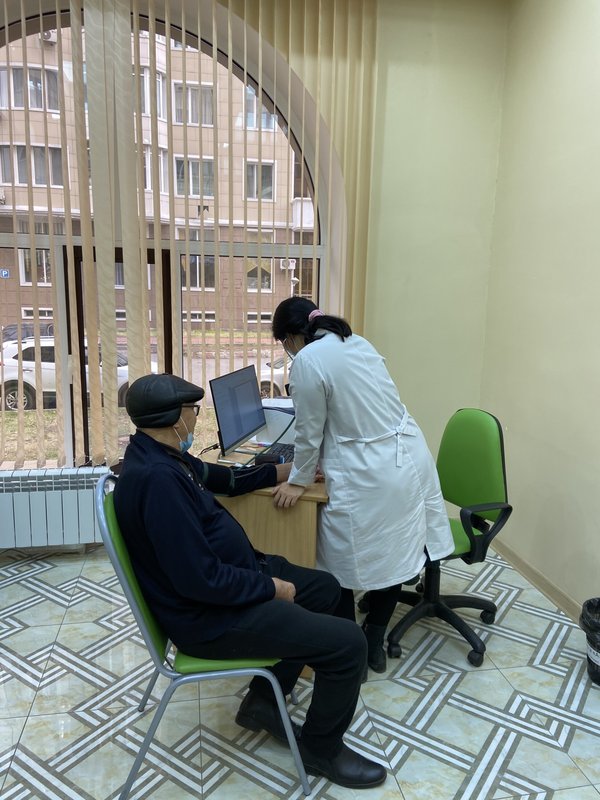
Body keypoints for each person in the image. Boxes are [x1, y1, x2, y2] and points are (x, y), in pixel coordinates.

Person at [113, 372, 386, 790]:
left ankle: (262, 701)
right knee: (349, 644)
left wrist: (291, 471)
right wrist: (271, 588)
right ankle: (321, 749)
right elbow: (200, 580)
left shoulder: (162, 454)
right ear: (175, 419)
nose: (195, 418)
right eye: (192, 411)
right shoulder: (157, 482)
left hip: (232, 584)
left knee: (326, 590)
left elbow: (226, 480)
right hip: (209, 619)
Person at [271, 297, 454, 674]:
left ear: (290, 337)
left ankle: (352, 646)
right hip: (406, 458)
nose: (287, 350)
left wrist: (297, 481)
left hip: (370, 471)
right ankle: (373, 638)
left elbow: (309, 432)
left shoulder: (307, 360)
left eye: (284, 343)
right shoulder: (355, 341)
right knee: (392, 553)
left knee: (336, 562)